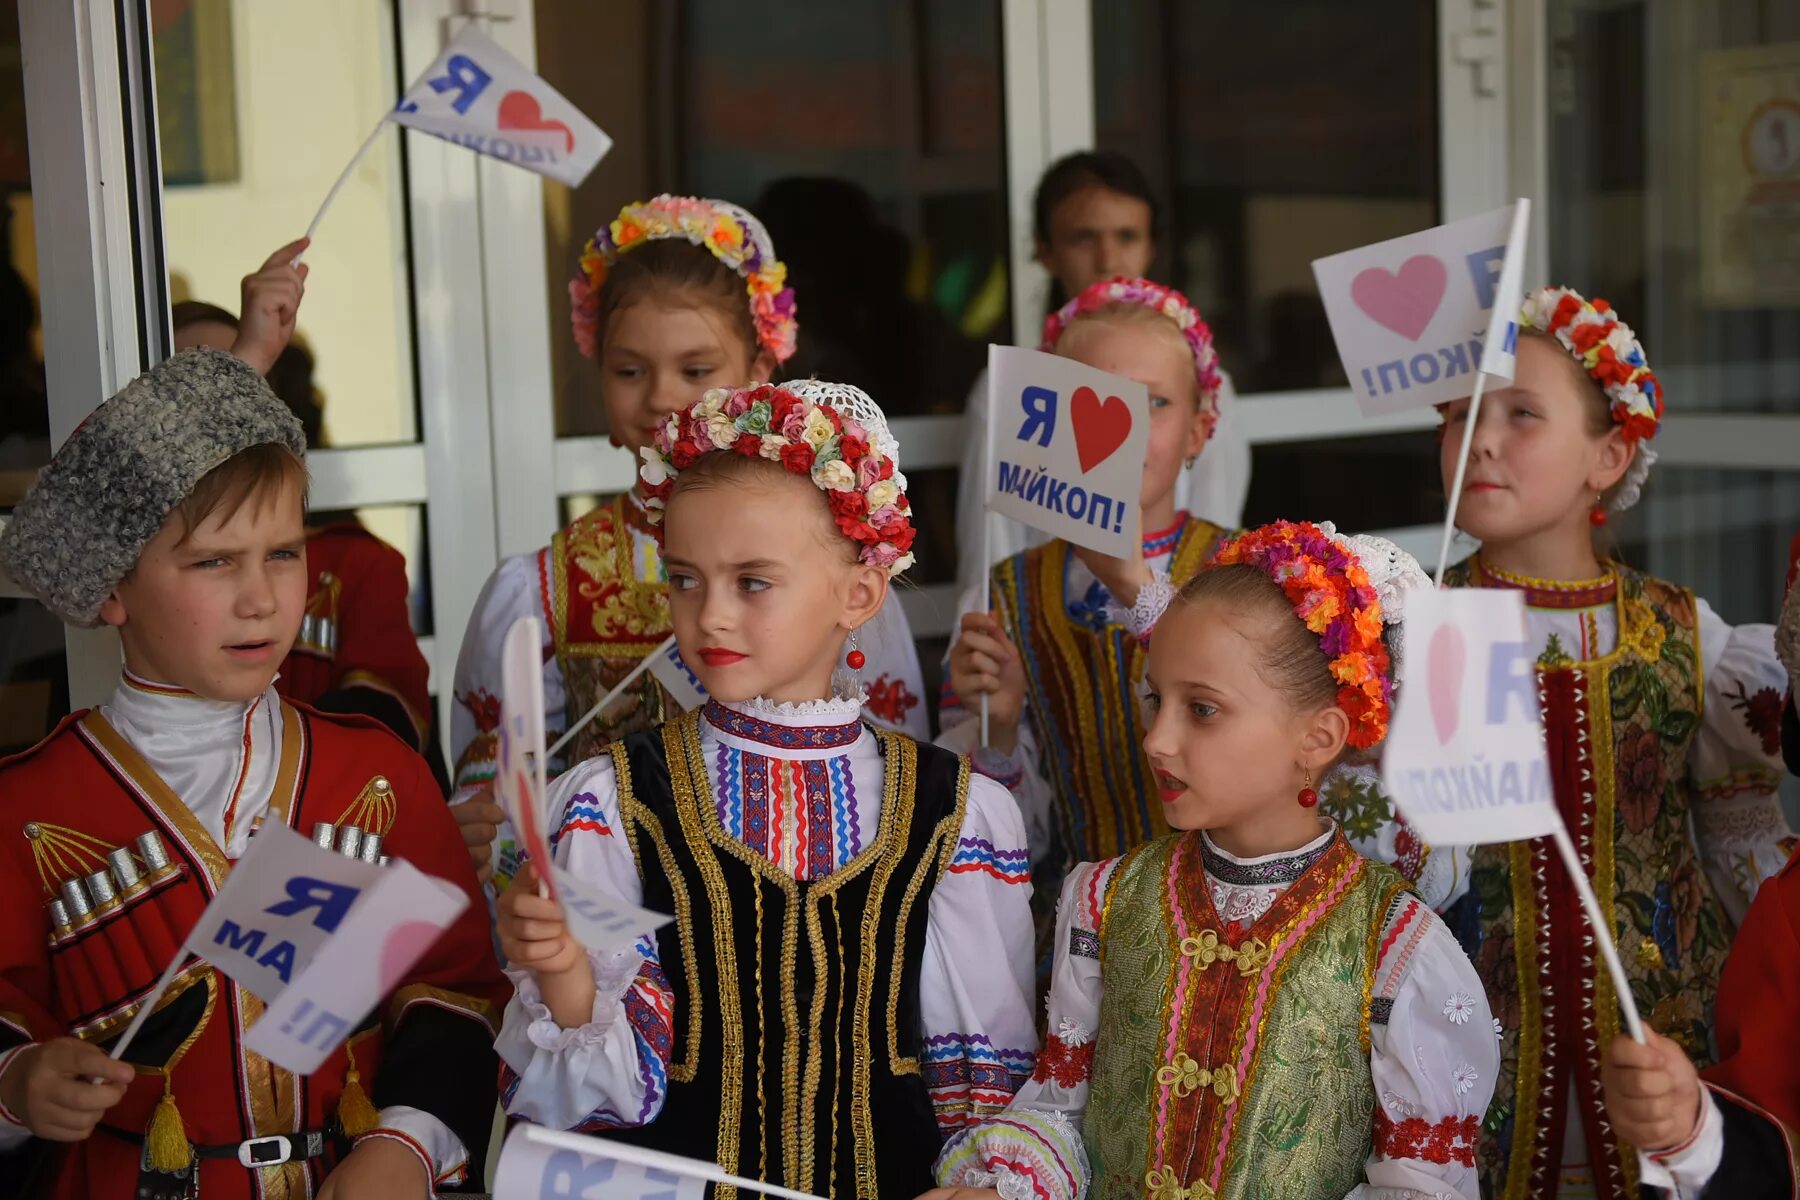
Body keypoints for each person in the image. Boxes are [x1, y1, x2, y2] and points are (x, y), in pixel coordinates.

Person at [493, 380, 1036, 1198]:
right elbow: (589, 1104)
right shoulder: (615, 800)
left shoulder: (954, 812)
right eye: (684, 579)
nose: (709, 615)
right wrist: (565, 968)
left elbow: (981, 1083)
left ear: (859, 593)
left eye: (752, 582)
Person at [0, 349, 506, 1198]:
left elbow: (456, 987)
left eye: (282, 554)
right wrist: (17, 1084)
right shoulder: (29, 804)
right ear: (110, 585)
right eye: (214, 562)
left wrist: (409, 1145)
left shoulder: (375, 776)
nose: (264, 598)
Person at [924, 521, 1498, 1200]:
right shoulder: (1107, 900)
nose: (1158, 740)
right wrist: (1006, 1188)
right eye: (1154, 701)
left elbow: (1419, 1185)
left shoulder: (1396, 949)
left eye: (1202, 709)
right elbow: (1064, 1111)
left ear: (1319, 737)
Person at [451, 195, 930, 893]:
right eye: (629, 371)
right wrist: (483, 830)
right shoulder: (543, 590)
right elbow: (495, 789)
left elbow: (895, 766)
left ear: (760, 370)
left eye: (697, 371)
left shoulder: (836, 572)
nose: (662, 399)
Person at [1428, 287, 1795, 1197]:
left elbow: (1743, 832)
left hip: (1664, 1047)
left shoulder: (1686, 634)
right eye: (1460, 415)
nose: (1481, 438)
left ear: (1611, 455)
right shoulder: (1414, 631)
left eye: (1521, 414)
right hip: (1473, 1055)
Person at [171, 245, 443, 786]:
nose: (258, 598)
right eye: (182, 396)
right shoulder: (132, 562)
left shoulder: (353, 563)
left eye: (240, 386)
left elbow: (381, 740)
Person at [952, 151, 1252, 596]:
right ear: (1045, 250)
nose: (1107, 257)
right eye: (1082, 238)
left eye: (1127, 236)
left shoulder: (1207, 386)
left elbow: (1217, 540)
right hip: (1039, 638)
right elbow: (989, 549)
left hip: (1175, 623)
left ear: (1150, 247)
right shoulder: (1008, 387)